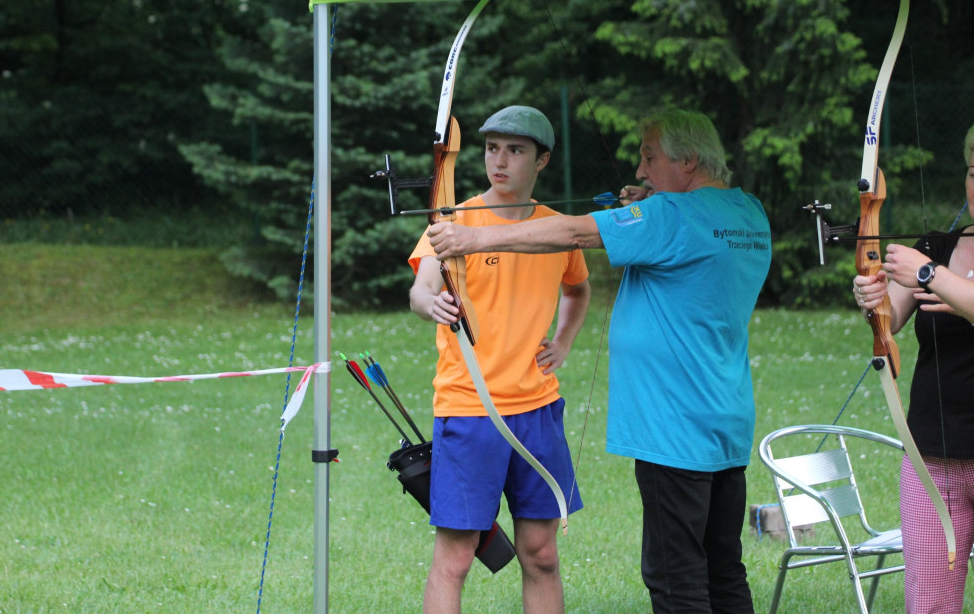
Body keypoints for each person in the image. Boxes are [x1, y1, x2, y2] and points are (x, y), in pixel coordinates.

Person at [429, 109, 771, 613]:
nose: (639, 171)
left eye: (649, 157)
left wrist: (473, 237)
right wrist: (655, 205)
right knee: (723, 569)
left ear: (689, 160)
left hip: (673, 431)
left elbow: (572, 233)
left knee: (676, 577)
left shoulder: (666, 218)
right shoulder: (748, 214)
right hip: (728, 421)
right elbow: (694, 233)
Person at [409, 105, 591, 614]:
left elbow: (578, 290)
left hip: (537, 409)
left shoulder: (559, 230)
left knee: (542, 554)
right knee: (457, 558)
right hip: (470, 409)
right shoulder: (451, 222)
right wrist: (433, 303)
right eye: (492, 149)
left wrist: (565, 341)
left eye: (515, 150)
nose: (500, 161)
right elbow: (420, 289)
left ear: (542, 160)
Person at [853, 122, 974, 613]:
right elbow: (892, 316)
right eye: (972, 170)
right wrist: (872, 295)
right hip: (933, 457)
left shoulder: (932, 265)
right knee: (929, 602)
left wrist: (930, 275)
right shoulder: (938, 248)